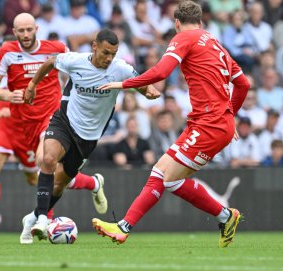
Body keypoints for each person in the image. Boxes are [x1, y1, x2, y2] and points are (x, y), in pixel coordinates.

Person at [92, 1, 250, 248]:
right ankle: (226, 216)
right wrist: (231, 115)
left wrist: (123, 85)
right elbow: (243, 85)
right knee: (161, 172)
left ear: (177, 23)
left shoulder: (184, 38)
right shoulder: (215, 43)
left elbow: (161, 72)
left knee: (167, 178)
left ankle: (124, 228)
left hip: (209, 125)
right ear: (200, 21)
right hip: (209, 122)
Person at [22, 29, 160, 243]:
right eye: (105, 53)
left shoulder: (120, 68)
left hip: (88, 137)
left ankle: (32, 217)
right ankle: (42, 218)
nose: (108, 58)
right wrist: (32, 85)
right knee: (47, 159)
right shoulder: (75, 60)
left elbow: (141, 84)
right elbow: (50, 62)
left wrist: (150, 92)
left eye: (113, 54)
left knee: (59, 184)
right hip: (65, 121)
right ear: (94, 46)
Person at [0, 14, 108, 236]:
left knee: (45, 161)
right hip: (15, 122)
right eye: (21, 31)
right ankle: (92, 183)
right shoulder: (7, 51)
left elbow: (79, 68)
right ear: (14, 31)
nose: (26, 35)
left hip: (49, 117)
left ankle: (44, 218)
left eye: (29, 30)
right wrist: (7, 97)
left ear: (37, 28)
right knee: (31, 177)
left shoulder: (55, 48)